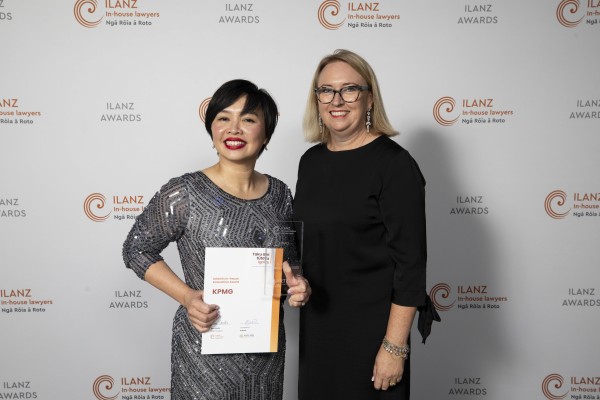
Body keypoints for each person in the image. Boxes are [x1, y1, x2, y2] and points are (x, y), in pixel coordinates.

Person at [122, 79, 310, 400]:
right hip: (203, 350)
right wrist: (186, 297)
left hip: (264, 354)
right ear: (212, 129)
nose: (233, 129)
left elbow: (288, 264)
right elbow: (136, 249)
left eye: (248, 119)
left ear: (266, 134)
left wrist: (298, 286)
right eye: (224, 118)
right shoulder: (185, 191)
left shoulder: (280, 193)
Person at [293, 50, 438, 400]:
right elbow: (307, 246)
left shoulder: (395, 165)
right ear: (317, 99)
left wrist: (394, 346)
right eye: (326, 90)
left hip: (375, 334)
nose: (336, 100)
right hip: (318, 330)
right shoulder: (310, 161)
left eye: (349, 89)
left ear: (369, 98)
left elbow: (411, 265)